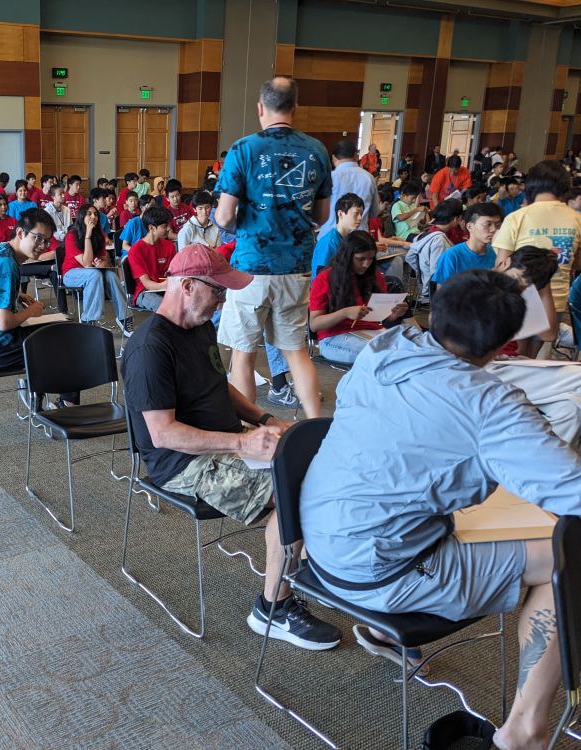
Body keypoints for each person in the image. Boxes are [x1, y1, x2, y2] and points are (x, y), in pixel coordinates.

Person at [299, 269, 581, 750]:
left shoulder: (383, 350)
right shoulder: (491, 404)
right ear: (503, 344)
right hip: (385, 574)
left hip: (320, 547)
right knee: (570, 556)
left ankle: (382, 633)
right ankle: (525, 733)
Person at [121, 243, 342, 650]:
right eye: (218, 291)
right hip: (183, 462)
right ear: (187, 286)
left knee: (318, 460)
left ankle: (307, 564)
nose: (224, 299)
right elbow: (163, 434)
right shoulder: (149, 348)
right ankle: (272, 608)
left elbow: (216, 385)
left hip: (225, 442)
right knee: (291, 495)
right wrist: (243, 441)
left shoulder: (200, 325)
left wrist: (263, 419)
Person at [214, 77, 332, 419]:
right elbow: (322, 215)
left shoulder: (243, 149)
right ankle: (314, 426)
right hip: (296, 266)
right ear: (295, 108)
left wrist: (242, 225)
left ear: (260, 108)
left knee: (243, 354)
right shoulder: (317, 150)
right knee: (297, 353)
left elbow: (223, 216)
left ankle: (249, 433)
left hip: (251, 268)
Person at [0, 209, 78, 406]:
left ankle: (35, 392)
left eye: (47, 241)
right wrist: (31, 312)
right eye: (38, 238)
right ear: (20, 233)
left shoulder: (0, 251)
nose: (43, 246)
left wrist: (17, 295)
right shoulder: (7, 265)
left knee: (55, 333)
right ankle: (64, 405)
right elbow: (4, 323)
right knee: (64, 344)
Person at [487, 246, 581, 445]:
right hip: (485, 366)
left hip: (512, 365)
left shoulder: (519, 288)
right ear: (505, 262)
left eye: (527, 285)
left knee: (569, 409)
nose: (520, 287)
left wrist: (541, 283)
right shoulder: (480, 287)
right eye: (520, 280)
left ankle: (545, 467)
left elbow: (549, 333)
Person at [492, 159, 581, 318]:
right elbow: (577, 262)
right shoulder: (577, 219)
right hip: (556, 300)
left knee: (515, 343)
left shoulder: (516, 218)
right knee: (545, 340)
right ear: (564, 186)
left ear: (530, 185)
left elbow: (502, 263)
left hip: (518, 296)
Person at [309, 231, 408, 365]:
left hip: (370, 331)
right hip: (333, 337)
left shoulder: (375, 276)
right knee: (386, 357)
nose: (366, 264)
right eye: (360, 259)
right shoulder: (325, 278)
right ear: (348, 256)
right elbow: (314, 325)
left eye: (371, 258)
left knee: (408, 350)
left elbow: (380, 317)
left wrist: (393, 314)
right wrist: (345, 313)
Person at [62, 204, 133, 336]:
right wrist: (88, 235)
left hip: (92, 273)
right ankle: (89, 319)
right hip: (71, 274)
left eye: (95, 214)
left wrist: (102, 263)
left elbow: (105, 260)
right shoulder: (72, 236)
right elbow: (87, 263)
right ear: (82, 216)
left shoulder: (99, 233)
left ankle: (124, 317)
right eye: (89, 214)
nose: (93, 217)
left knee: (111, 276)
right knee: (94, 274)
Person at [318, 140, 379, 239]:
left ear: (333, 158)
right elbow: (374, 212)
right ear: (356, 156)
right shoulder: (369, 177)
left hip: (330, 237)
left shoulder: (329, 177)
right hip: (359, 239)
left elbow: (318, 214)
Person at [431, 201, 502, 287]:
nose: (494, 229)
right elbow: (442, 295)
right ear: (469, 226)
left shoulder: (497, 253)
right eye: (488, 224)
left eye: (498, 224)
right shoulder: (452, 256)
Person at [405, 198, 462, 302]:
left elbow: (410, 257)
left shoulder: (427, 233)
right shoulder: (439, 240)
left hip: (426, 284)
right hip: (436, 290)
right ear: (455, 219)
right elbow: (437, 271)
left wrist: (422, 271)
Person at [126, 205, 175, 312]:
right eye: (164, 226)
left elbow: (173, 272)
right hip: (145, 292)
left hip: (165, 288)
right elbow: (147, 284)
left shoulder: (169, 246)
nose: (169, 229)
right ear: (151, 228)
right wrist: (167, 284)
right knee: (167, 308)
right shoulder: (136, 250)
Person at [312, 193, 364, 276]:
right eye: (356, 213)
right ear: (340, 213)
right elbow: (321, 275)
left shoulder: (347, 238)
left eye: (361, 214)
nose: (360, 218)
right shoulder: (329, 242)